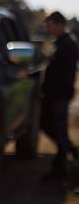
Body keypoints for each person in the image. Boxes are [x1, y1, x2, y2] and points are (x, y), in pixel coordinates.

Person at [40, 11, 78, 181]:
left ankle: (65, 167)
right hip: (54, 95)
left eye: (49, 25)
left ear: (58, 24)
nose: (47, 28)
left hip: (59, 96)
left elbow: (62, 73)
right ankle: (64, 161)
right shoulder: (60, 43)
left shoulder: (68, 45)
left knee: (59, 130)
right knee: (50, 126)